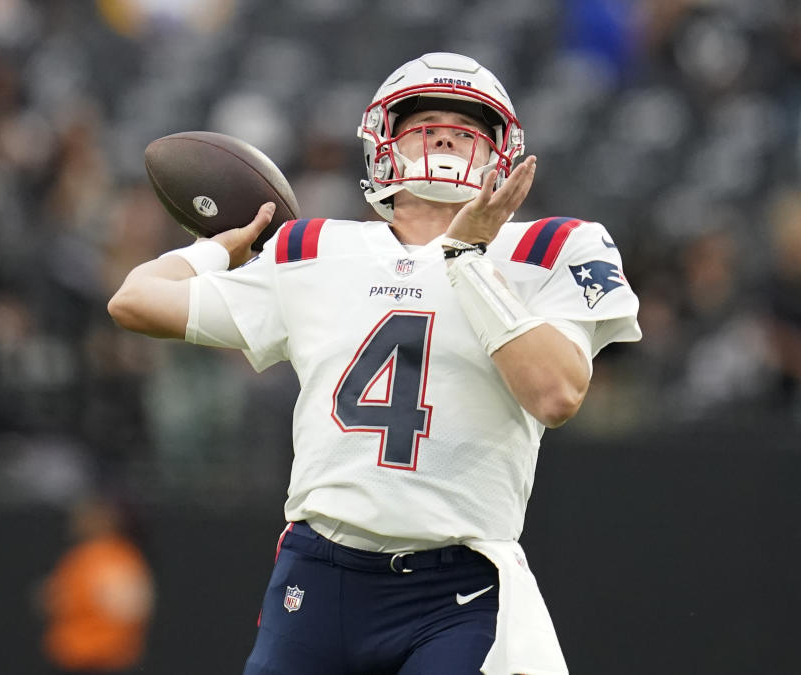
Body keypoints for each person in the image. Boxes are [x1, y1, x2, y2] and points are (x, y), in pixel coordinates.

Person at [108, 52, 641, 675]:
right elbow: (134, 300)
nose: (445, 133)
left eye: (466, 122)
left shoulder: (556, 246)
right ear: (381, 143)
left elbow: (556, 393)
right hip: (320, 571)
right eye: (425, 120)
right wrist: (212, 250)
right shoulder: (314, 249)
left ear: (504, 150)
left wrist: (466, 257)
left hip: (458, 586)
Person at [40, 496, 155, 675]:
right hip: (81, 657)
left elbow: (130, 610)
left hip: (99, 659)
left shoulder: (115, 559)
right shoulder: (81, 556)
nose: (79, 517)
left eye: (89, 513)